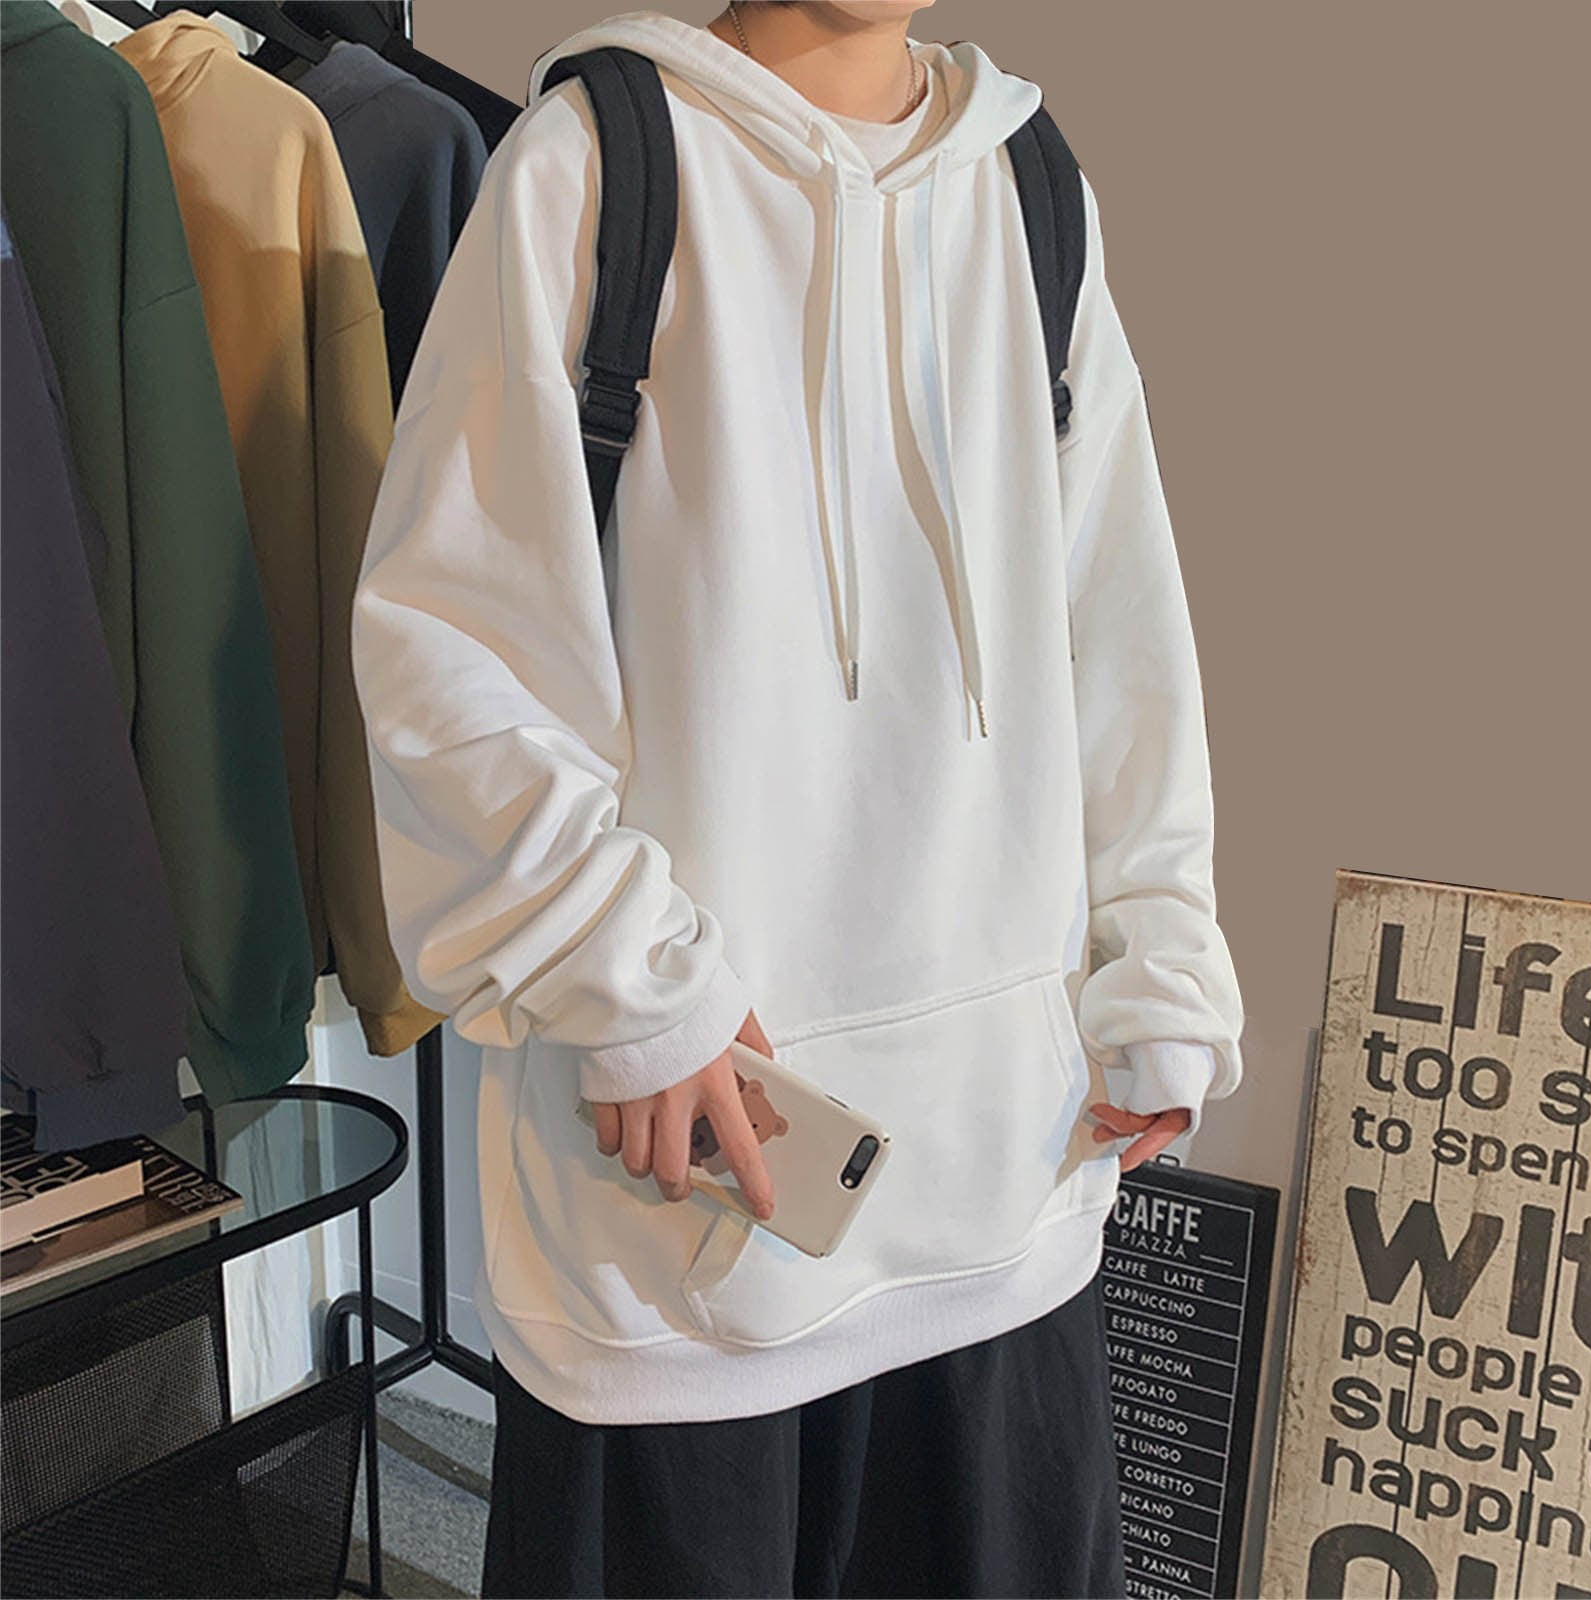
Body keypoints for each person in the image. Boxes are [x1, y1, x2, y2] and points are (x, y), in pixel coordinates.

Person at [350, 2, 1247, 1595]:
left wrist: (1161, 957)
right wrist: (629, 984)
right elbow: (455, 655)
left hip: (1009, 1199)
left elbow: (1124, 631)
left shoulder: (1032, 185)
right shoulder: (595, 164)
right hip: (686, 1216)